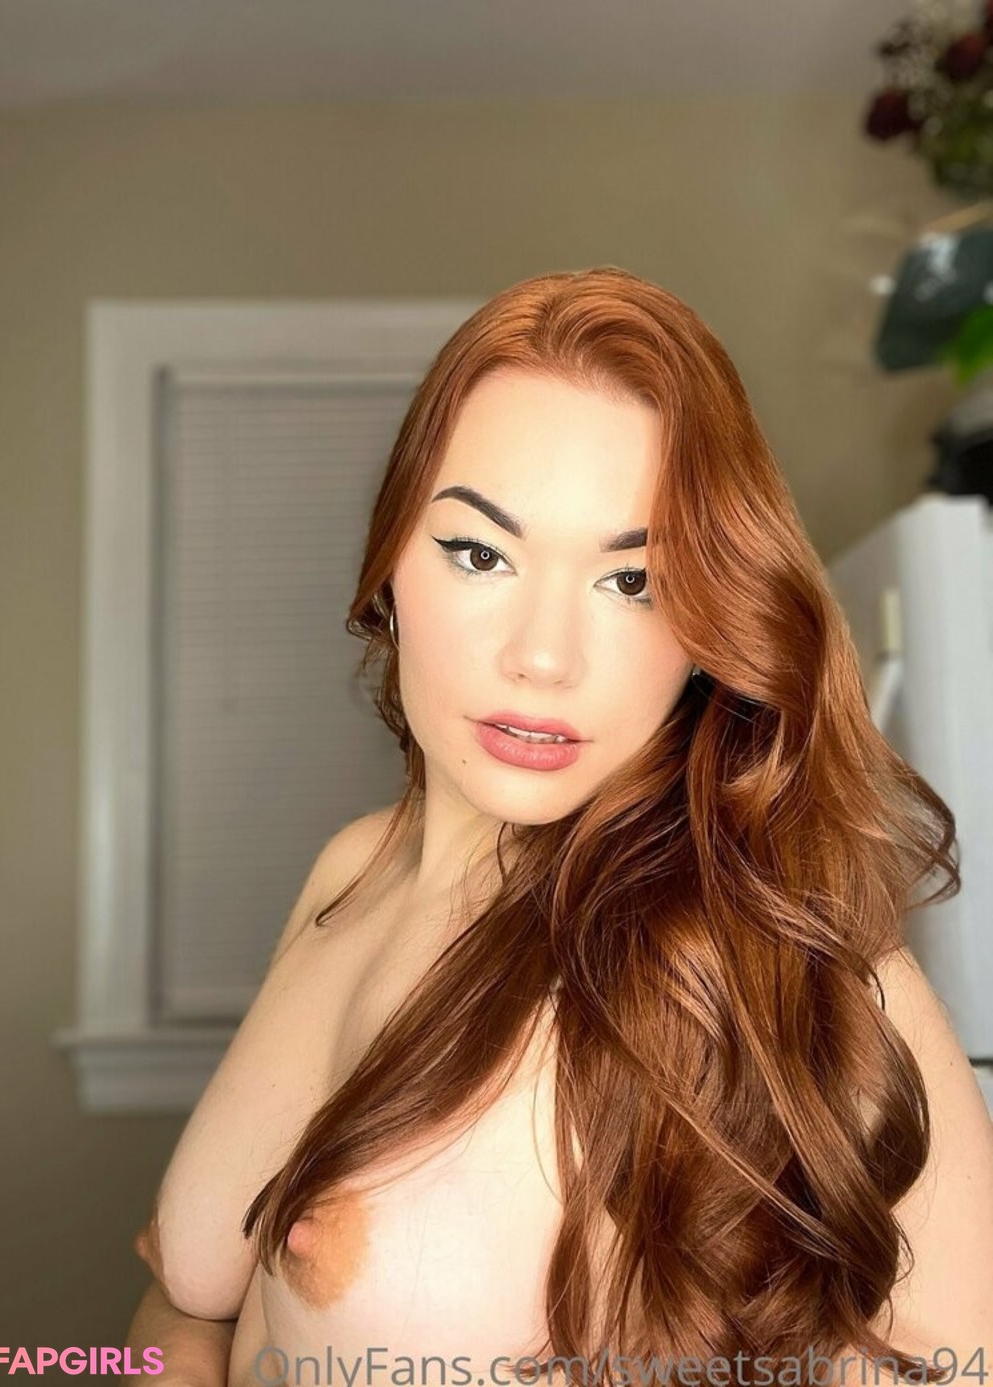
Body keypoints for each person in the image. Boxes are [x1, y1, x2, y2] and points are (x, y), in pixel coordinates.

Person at [126, 267, 993, 1386]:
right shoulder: (353, 869)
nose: (543, 656)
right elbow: (192, 1300)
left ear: (710, 622)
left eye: (633, 582)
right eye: (479, 553)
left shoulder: (787, 966)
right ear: (389, 564)